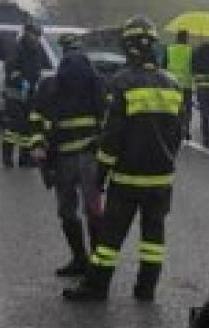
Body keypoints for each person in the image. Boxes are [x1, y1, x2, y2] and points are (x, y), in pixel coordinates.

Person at [63, 16, 184, 302]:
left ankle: (96, 288)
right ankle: (146, 290)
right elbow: (177, 135)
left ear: (128, 47)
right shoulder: (173, 84)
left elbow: (112, 137)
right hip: (162, 179)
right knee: (153, 239)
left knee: (109, 240)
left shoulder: (122, 82)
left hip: (127, 179)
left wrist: (100, 176)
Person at [29, 35, 107, 276]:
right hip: (76, 158)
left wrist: (39, 145)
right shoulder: (93, 84)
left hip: (75, 158)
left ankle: (88, 260)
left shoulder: (55, 85)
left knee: (79, 210)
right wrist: (38, 144)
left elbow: (35, 118)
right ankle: (88, 261)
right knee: (82, 211)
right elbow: (37, 119)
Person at [2, 22, 52, 167]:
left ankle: (25, 158)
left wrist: (36, 84)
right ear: (27, 33)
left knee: (27, 127)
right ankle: (7, 157)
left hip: (30, 93)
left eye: (38, 36)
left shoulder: (36, 50)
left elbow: (37, 69)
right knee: (13, 127)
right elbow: (11, 70)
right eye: (34, 35)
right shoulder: (17, 48)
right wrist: (21, 82)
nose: (36, 38)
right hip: (15, 92)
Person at [165, 29, 195, 139]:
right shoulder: (190, 50)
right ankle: (186, 130)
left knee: (173, 108)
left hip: (171, 84)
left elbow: (163, 66)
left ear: (177, 38)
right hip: (186, 85)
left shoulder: (169, 49)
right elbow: (194, 67)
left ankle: (172, 129)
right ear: (185, 38)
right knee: (186, 108)